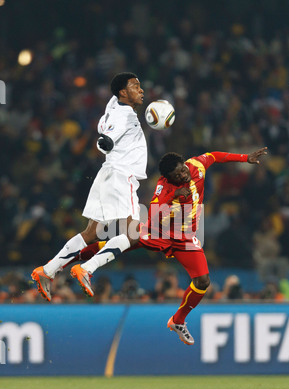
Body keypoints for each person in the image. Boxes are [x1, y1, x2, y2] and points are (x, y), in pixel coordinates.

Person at [65, 146, 268, 345]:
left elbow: (215, 156)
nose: (182, 176)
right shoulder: (164, 186)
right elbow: (153, 212)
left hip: (185, 237)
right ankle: (71, 258)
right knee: (122, 243)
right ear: (169, 178)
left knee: (203, 281)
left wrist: (244, 158)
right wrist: (173, 195)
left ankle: (178, 321)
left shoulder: (196, 165)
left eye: (182, 170)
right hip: (158, 231)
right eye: (177, 176)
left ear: (184, 163)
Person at [31, 72, 146, 302]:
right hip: (122, 177)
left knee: (91, 233)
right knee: (133, 235)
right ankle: (88, 268)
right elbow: (107, 138)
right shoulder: (125, 116)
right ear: (123, 92)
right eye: (135, 86)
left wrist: (106, 139)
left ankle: (48, 270)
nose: (141, 90)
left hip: (107, 174)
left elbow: (106, 127)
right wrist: (106, 142)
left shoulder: (114, 104)